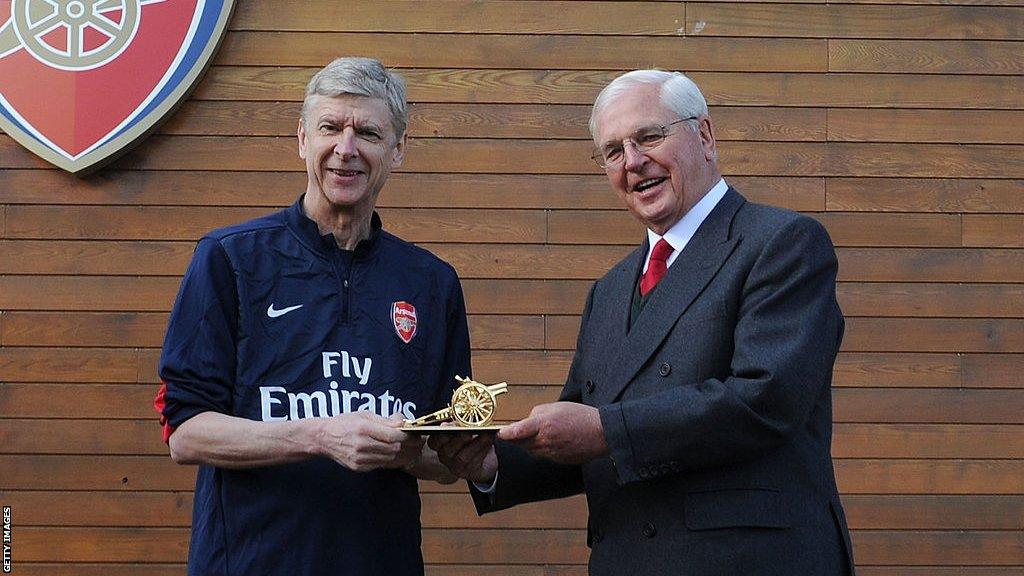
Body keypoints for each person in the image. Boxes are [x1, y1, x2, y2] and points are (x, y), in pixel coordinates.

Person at [431, 69, 856, 575]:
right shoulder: (610, 291)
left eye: (649, 136)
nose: (633, 161)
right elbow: (581, 428)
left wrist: (608, 430)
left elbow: (766, 400)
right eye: (613, 151)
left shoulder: (781, 243)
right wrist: (492, 464)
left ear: (704, 135)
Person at [154, 57, 471, 576]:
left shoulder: (432, 283)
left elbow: (446, 452)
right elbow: (186, 432)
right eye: (331, 128)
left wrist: (407, 451)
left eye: (367, 131)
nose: (346, 149)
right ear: (303, 139)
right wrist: (321, 436)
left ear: (398, 149)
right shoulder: (230, 258)